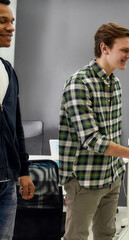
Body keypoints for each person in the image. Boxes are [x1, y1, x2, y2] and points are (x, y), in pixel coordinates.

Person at [59, 22, 129, 240]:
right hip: (85, 180)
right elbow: (92, 139)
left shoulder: (115, 84)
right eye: (124, 50)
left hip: (112, 176)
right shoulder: (79, 84)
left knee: (106, 235)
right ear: (105, 48)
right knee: (77, 237)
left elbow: (111, 134)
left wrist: (124, 164)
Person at [0, 0, 35, 239]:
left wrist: (23, 170)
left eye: (11, 21)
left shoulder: (8, 70)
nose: (11, 27)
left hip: (7, 183)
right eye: (3, 21)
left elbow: (16, 128)